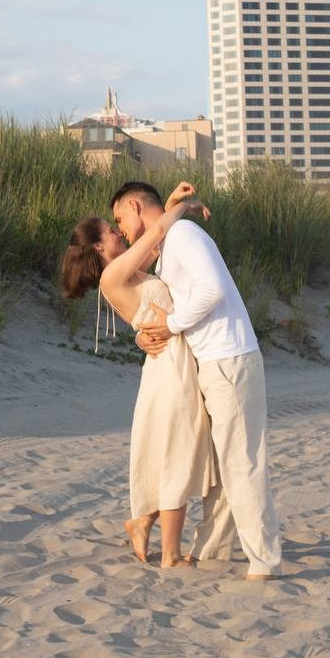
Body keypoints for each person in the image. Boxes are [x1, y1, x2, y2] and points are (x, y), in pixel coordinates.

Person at [111, 180, 282, 580]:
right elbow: (156, 284)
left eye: (120, 218)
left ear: (135, 206)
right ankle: (213, 551)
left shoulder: (185, 236)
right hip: (211, 361)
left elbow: (213, 289)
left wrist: (170, 325)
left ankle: (264, 560)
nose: (119, 228)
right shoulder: (169, 244)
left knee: (242, 463)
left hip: (229, 357)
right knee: (222, 470)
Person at [61, 184, 217, 569]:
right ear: (98, 247)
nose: (119, 232)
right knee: (176, 454)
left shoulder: (127, 271)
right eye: (111, 230)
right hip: (168, 370)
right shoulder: (113, 275)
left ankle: (142, 522)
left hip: (172, 362)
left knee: (178, 450)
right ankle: (171, 554)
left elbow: (155, 241)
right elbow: (158, 233)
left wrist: (167, 208)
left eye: (118, 224)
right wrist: (183, 208)